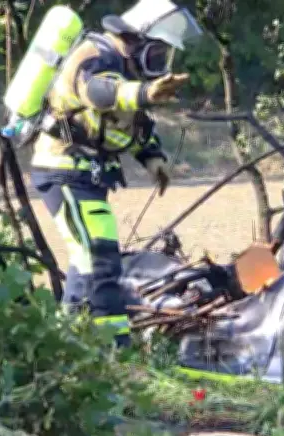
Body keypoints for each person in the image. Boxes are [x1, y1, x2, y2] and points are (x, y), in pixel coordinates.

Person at [29, 0, 203, 339]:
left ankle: (67, 340)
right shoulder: (95, 56)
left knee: (87, 259)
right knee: (101, 258)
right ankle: (114, 349)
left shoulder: (124, 69)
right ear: (138, 39)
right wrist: (145, 92)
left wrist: (152, 157)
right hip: (64, 170)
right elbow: (101, 93)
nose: (158, 65)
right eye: (157, 54)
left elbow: (125, 127)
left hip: (87, 175)